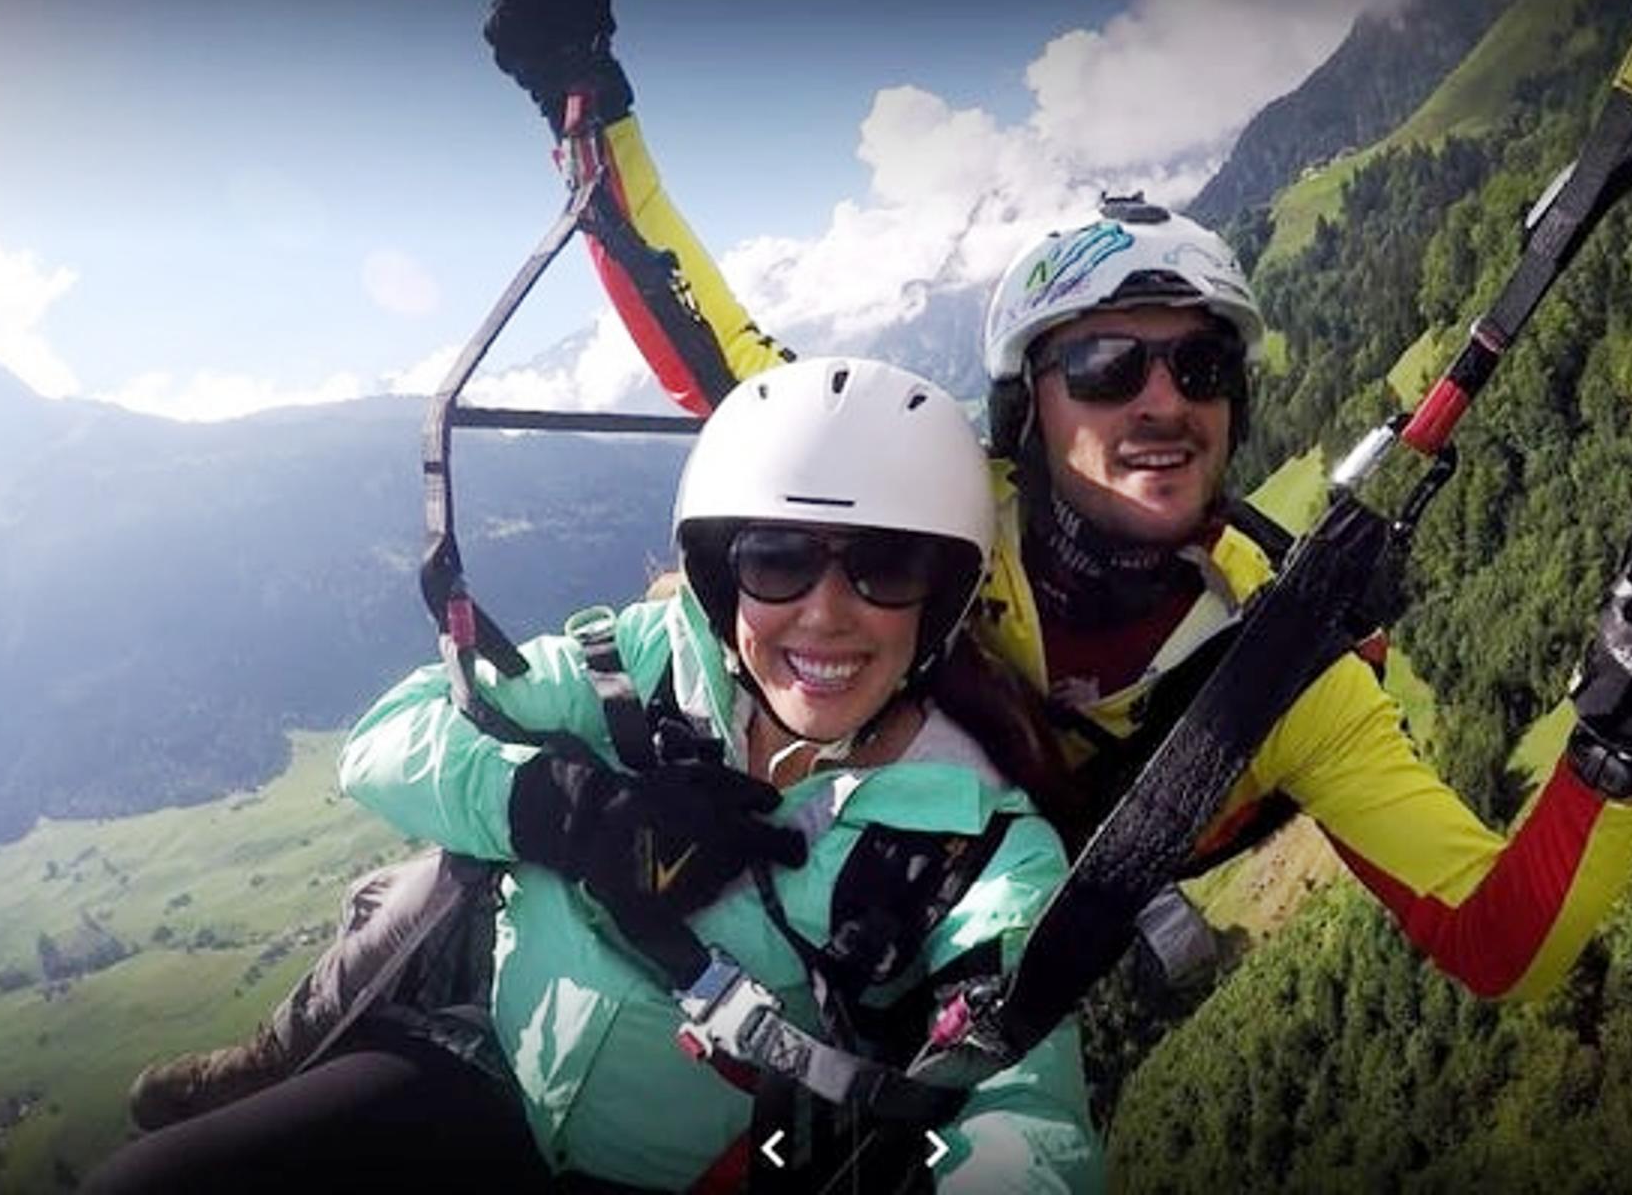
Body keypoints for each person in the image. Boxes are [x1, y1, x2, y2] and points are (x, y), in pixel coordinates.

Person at [482, 0, 1632, 1009]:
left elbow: (1498, 940)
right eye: (1104, 364)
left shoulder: (1287, 676)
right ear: (1024, 410)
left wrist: (1624, 722)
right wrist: (583, 96)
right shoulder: (931, 500)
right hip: (660, 894)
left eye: (1197, 363)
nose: (1159, 399)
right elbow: (716, 353)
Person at [89, 357, 1102, 1193]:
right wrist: (564, 811)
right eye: (779, 558)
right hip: (488, 1078)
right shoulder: (644, 669)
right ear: (717, 574)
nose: (826, 613)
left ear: (943, 595)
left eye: (887, 566)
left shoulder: (979, 847)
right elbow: (388, 740)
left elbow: (1019, 1110)